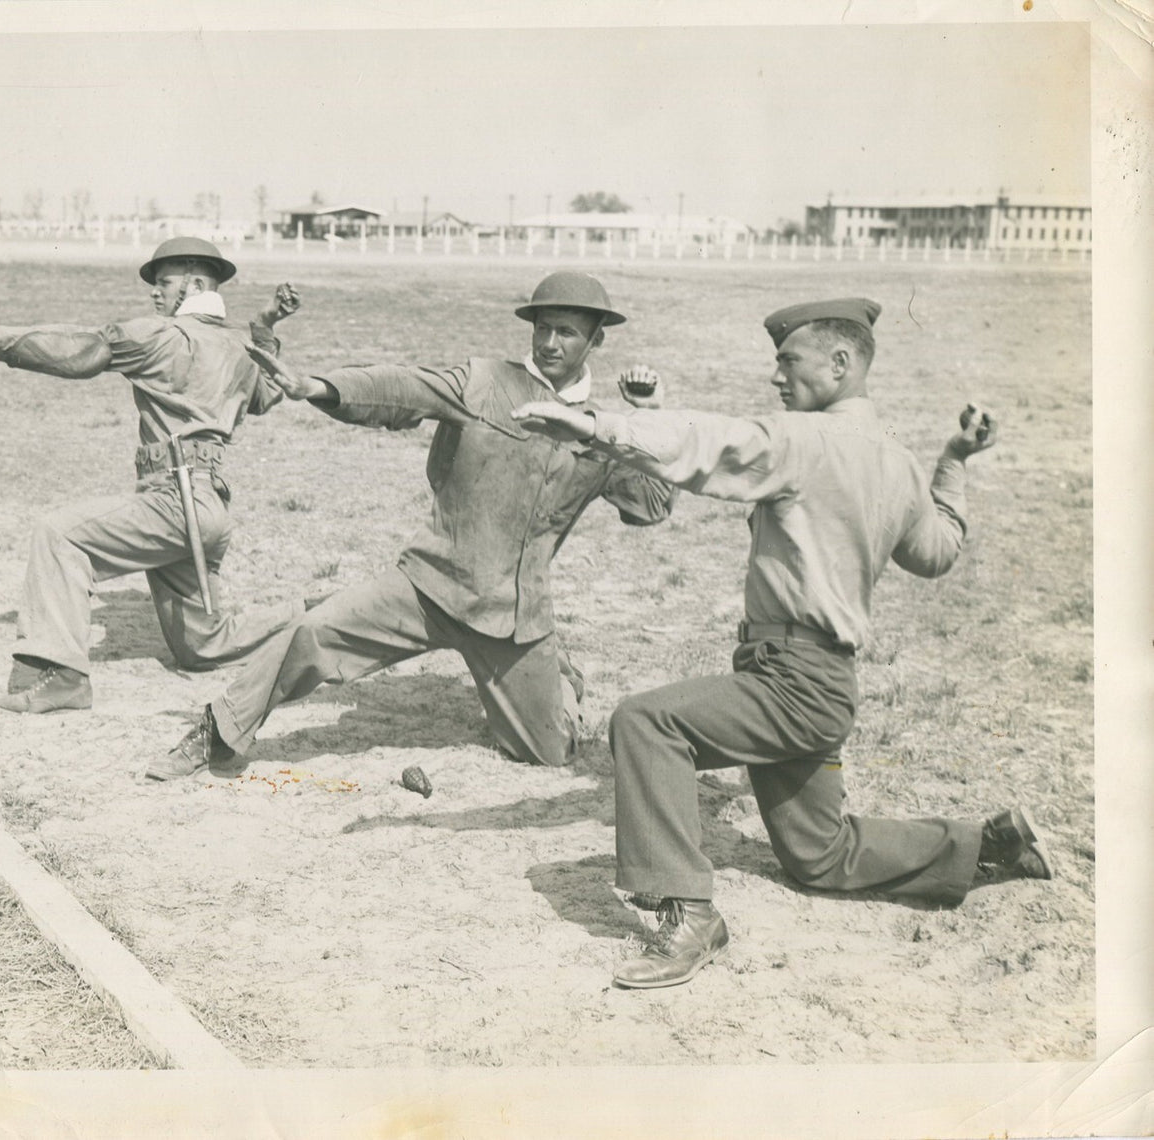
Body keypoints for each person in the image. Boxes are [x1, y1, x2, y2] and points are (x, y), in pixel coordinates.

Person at [510, 297, 1053, 990]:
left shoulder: (804, 439)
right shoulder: (896, 461)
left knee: (645, 722)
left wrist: (595, 422)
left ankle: (688, 914)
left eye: (786, 362)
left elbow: (709, 443)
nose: (775, 378)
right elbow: (938, 549)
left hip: (789, 683)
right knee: (817, 856)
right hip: (822, 686)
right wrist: (953, 460)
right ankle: (990, 845)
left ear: (840, 363)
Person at [143, 271, 675, 782]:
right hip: (429, 585)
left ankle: (559, 678)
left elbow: (651, 504)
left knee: (548, 753)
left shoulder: (604, 432)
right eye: (542, 328)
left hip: (514, 619)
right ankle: (218, 731)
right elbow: (402, 389)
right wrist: (318, 386)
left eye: (567, 332)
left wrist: (647, 419)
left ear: (596, 341)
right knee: (312, 633)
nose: (550, 343)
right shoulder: (484, 382)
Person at [0, 237, 302, 713]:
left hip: (174, 501)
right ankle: (307, 618)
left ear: (196, 283)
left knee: (60, 535)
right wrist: (264, 326)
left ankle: (63, 678)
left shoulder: (164, 336)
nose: (154, 293)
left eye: (164, 283)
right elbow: (267, 394)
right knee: (202, 648)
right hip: (207, 509)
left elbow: (84, 348)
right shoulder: (237, 346)